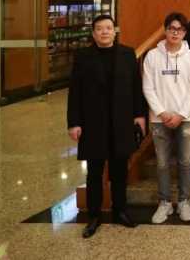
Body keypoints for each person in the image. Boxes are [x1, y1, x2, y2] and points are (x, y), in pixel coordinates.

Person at [67, 15, 145, 238]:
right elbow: (75, 91)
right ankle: (94, 216)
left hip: (121, 121)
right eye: (99, 29)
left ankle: (120, 211)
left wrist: (139, 115)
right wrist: (74, 122)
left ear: (114, 31)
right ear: (93, 33)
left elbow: (136, 86)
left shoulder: (127, 54)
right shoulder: (83, 57)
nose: (104, 32)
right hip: (93, 123)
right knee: (94, 172)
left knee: (120, 171)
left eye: (108, 28)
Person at [143, 12, 190, 224]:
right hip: (159, 119)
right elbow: (148, 87)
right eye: (171, 29)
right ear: (165, 30)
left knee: (185, 162)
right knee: (162, 163)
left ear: (185, 33)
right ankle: (165, 202)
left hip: (186, 118)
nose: (175, 33)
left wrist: (181, 114)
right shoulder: (152, 56)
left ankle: (184, 201)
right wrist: (162, 112)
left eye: (180, 29)